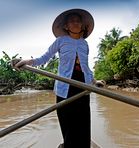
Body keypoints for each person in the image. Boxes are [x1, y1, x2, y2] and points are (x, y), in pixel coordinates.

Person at [14, 8, 95, 148]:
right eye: (72, 21)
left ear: (82, 25)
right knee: (67, 121)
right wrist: (28, 62)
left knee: (83, 122)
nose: (75, 23)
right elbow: (44, 58)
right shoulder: (60, 40)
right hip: (65, 86)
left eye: (78, 21)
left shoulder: (84, 44)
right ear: (66, 26)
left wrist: (94, 81)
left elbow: (85, 67)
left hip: (83, 86)